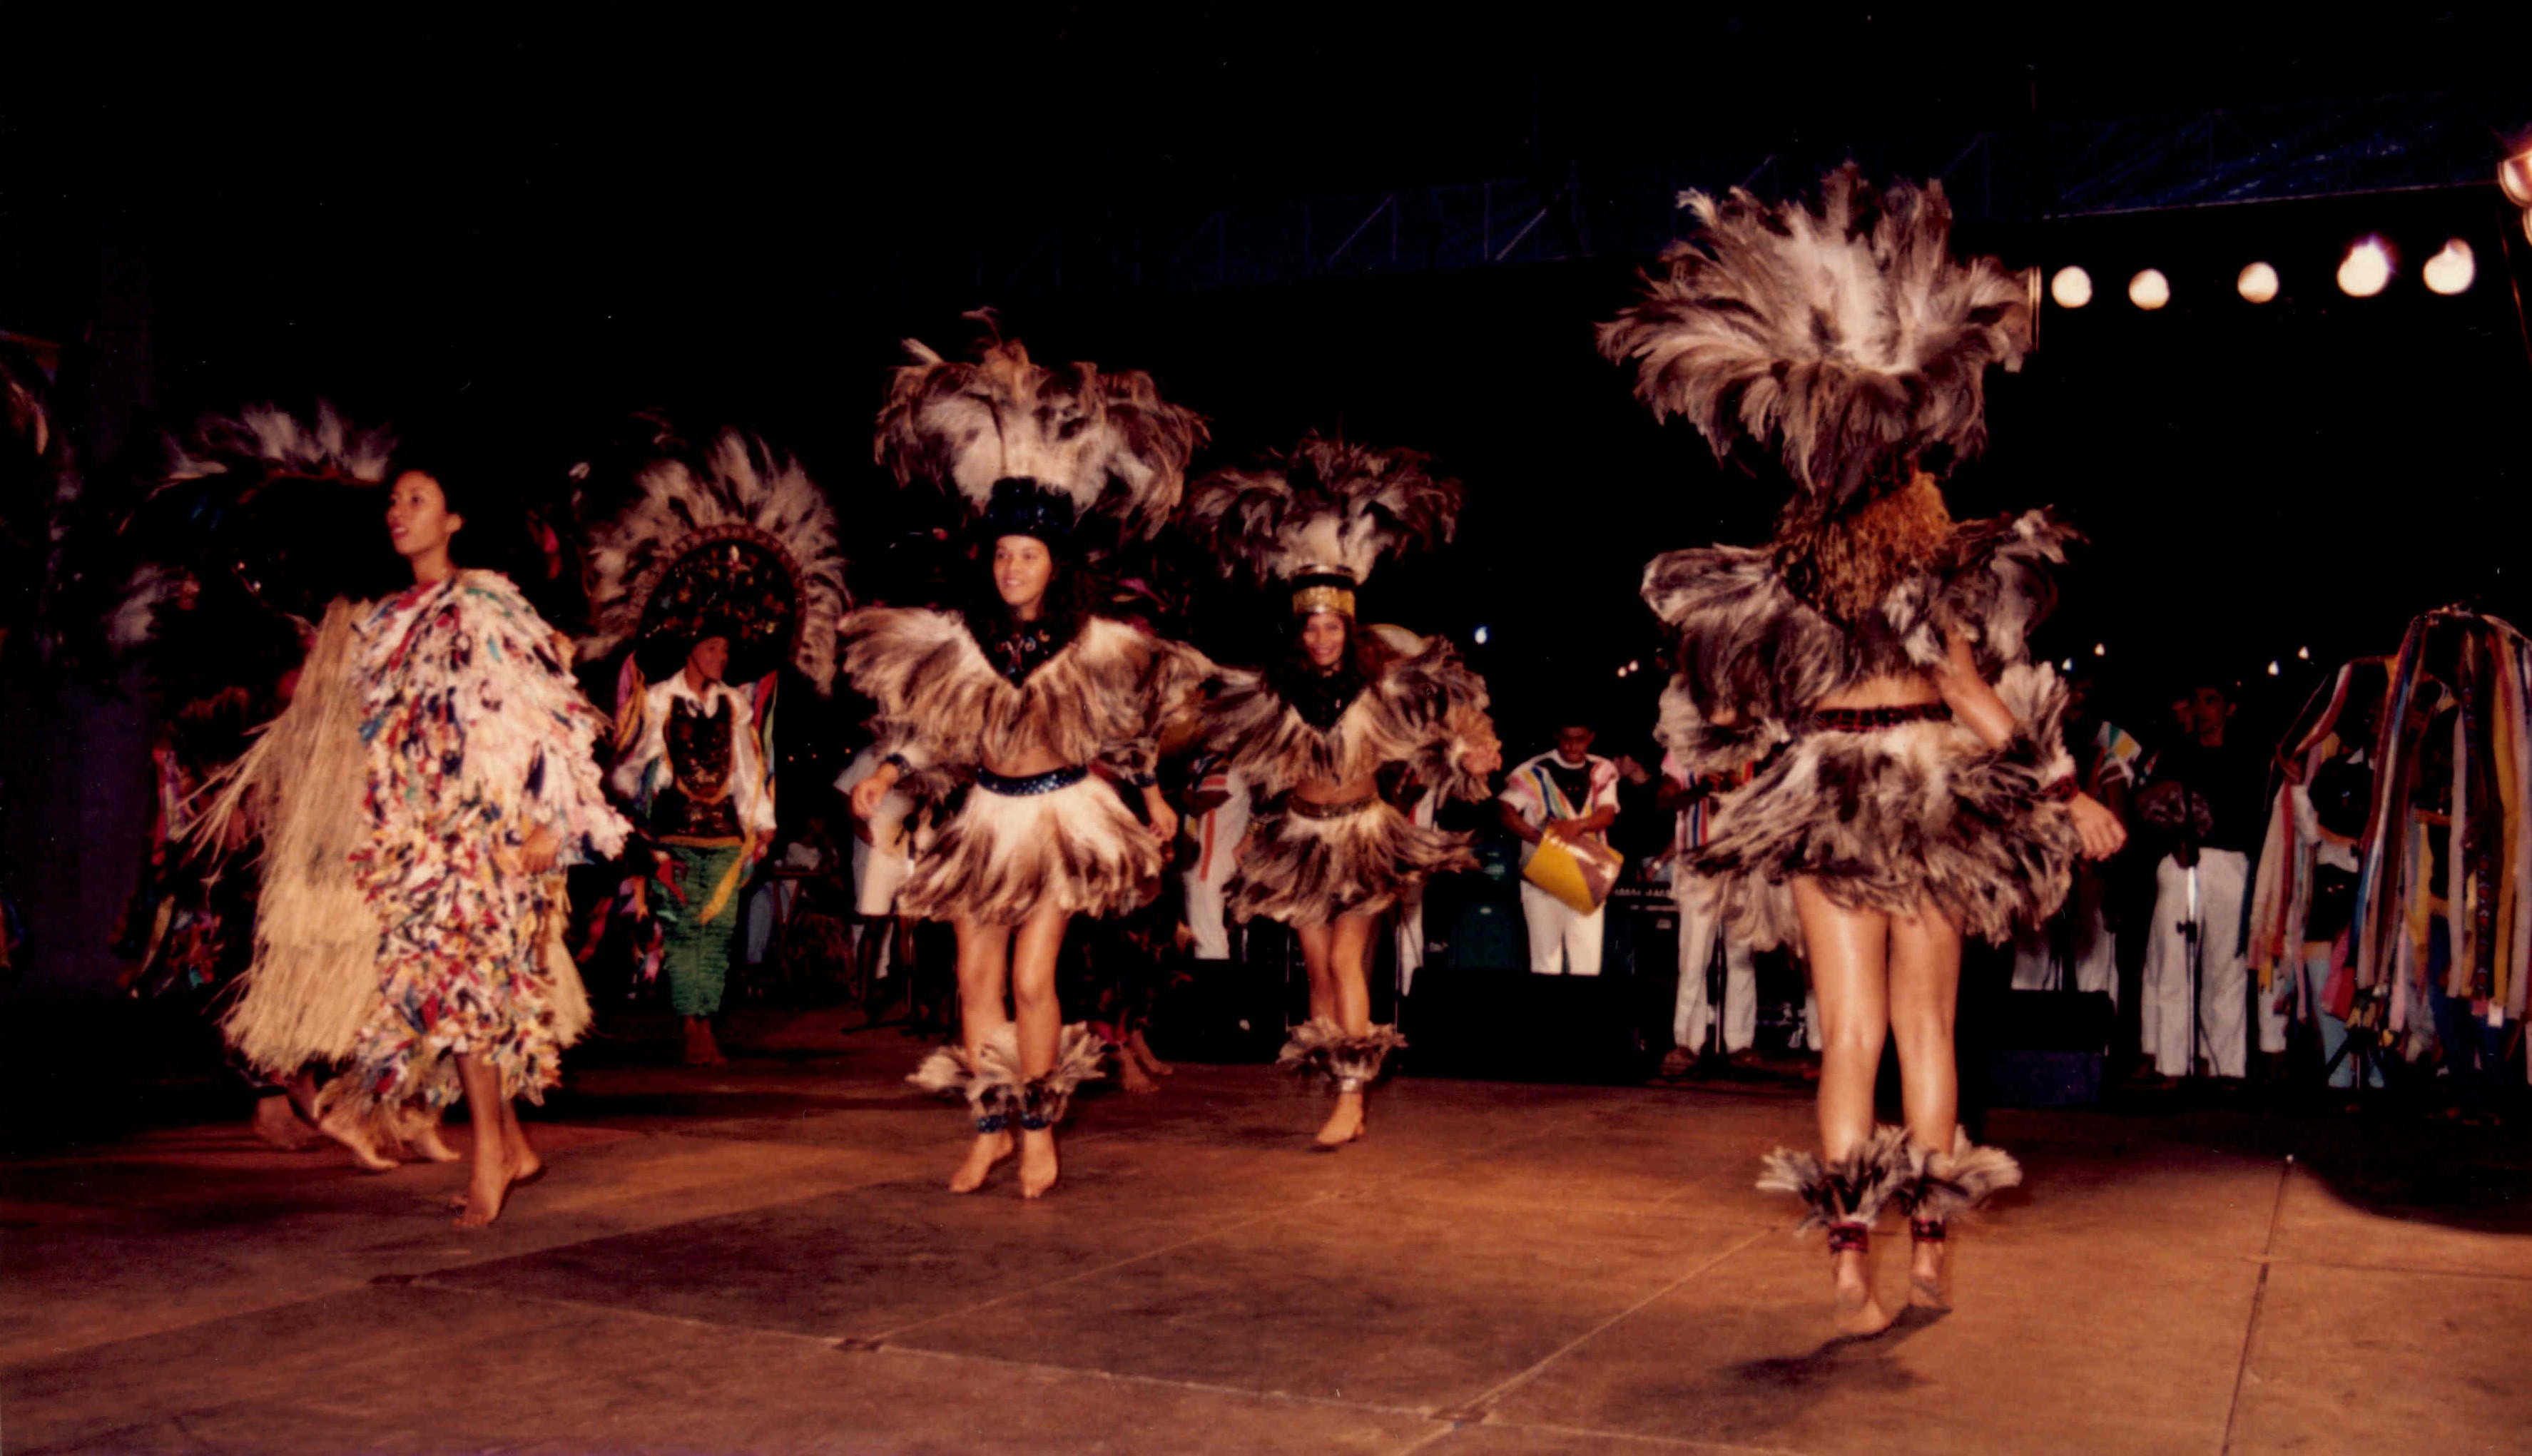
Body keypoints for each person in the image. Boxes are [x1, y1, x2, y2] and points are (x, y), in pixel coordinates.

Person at [1600, 167, 2124, 1334]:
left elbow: (1753, 700)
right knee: (1922, 1031)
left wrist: (1740, 772)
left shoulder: (1789, 569)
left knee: (1850, 1038)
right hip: (1921, 789)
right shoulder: (1927, 564)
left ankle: (1852, 1270)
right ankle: (1924, 1251)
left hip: (1827, 794)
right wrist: (2062, 788)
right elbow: (1969, 694)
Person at [217, 439, 629, 1226]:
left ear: (455, 519)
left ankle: (489, 1163)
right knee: (457, 997)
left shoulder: (486, 604)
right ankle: (512, 1147)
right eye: (394, 501)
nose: (398, 513)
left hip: (489, 832)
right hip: (421, 840)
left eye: (417, 499)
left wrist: (551, 822)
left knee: (470, 996)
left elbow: (550, 714)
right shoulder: (393, 619)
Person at [843, 332, 1209, 1198]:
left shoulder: (1090, 643)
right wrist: (887, 774)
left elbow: (1123, 726)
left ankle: (1040, 1130)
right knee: (973, 979)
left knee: (1032, 976)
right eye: (1002, 553)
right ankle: (992, 1127)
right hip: (986, 820)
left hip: (1056, 820)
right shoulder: (963, 642)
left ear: (1054, 563)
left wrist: (1153, 796)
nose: (1011, 566)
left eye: (1028, 555)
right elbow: (933, 727)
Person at [1185, 434, 1501, 1146]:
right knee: (1318, 973)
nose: (1322, 638)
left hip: (1362, 836)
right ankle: (1341, 1078)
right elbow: (1239, 742)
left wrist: (1471, 749)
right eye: (1312, 628)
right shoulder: (1278, 692)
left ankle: (1352, 1095)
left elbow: (1443, 716)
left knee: (1344, 958)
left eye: (1332, 627)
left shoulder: (1380, 684)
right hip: (1301, 840)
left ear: (1348, 627)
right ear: (1299, 632)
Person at [612, 626, 777, 1064]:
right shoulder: (658, 700)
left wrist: (763, 821)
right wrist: (631, 808)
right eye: (712, 647)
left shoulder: (734, 704)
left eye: (726, 648)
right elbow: (633, 764)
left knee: (719, 930)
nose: (721, 656)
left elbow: (748, 770)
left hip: (725, 833)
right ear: (689, 651)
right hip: (673, 834)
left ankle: (707, 1020)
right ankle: (692, 1024)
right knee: (684, 928)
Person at [2137, 679, 2274, 1081]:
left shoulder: (2248, 757)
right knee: (2173, 966)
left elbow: (2255, 818)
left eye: (2211, 701)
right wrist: (2174, 839)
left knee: (2226, 972)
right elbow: (2152, 807)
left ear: (2230, 709)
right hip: (2182, 865)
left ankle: (2225, 1068)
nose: (2202, 709)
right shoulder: (2177, 753)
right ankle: (2171, 1065)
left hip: (2230, 864)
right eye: (2197, 701)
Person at [1657, 753, 1758, 1074]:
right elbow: (1663, 801)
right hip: (1697, 866)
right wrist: (1700, 790)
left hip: (1742, 866)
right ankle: (1687, 1041)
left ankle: (1740, 1043)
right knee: (1693, 957)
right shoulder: (1684, 751)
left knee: (1741, 956)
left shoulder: (1754, 751)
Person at [1498, 724, 1621, 978]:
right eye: (1566, 739)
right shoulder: (1535, 770)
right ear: (1556, 736)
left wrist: (1577, 827)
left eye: (1580, 739)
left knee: (1587, 966)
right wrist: (1541, 839)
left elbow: (1607, 814)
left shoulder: (1602, 770)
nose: (1572, 746)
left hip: (1588, 878)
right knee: (1545, 964)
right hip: (1543, 880)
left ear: (1591, 738)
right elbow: (1504, 809)